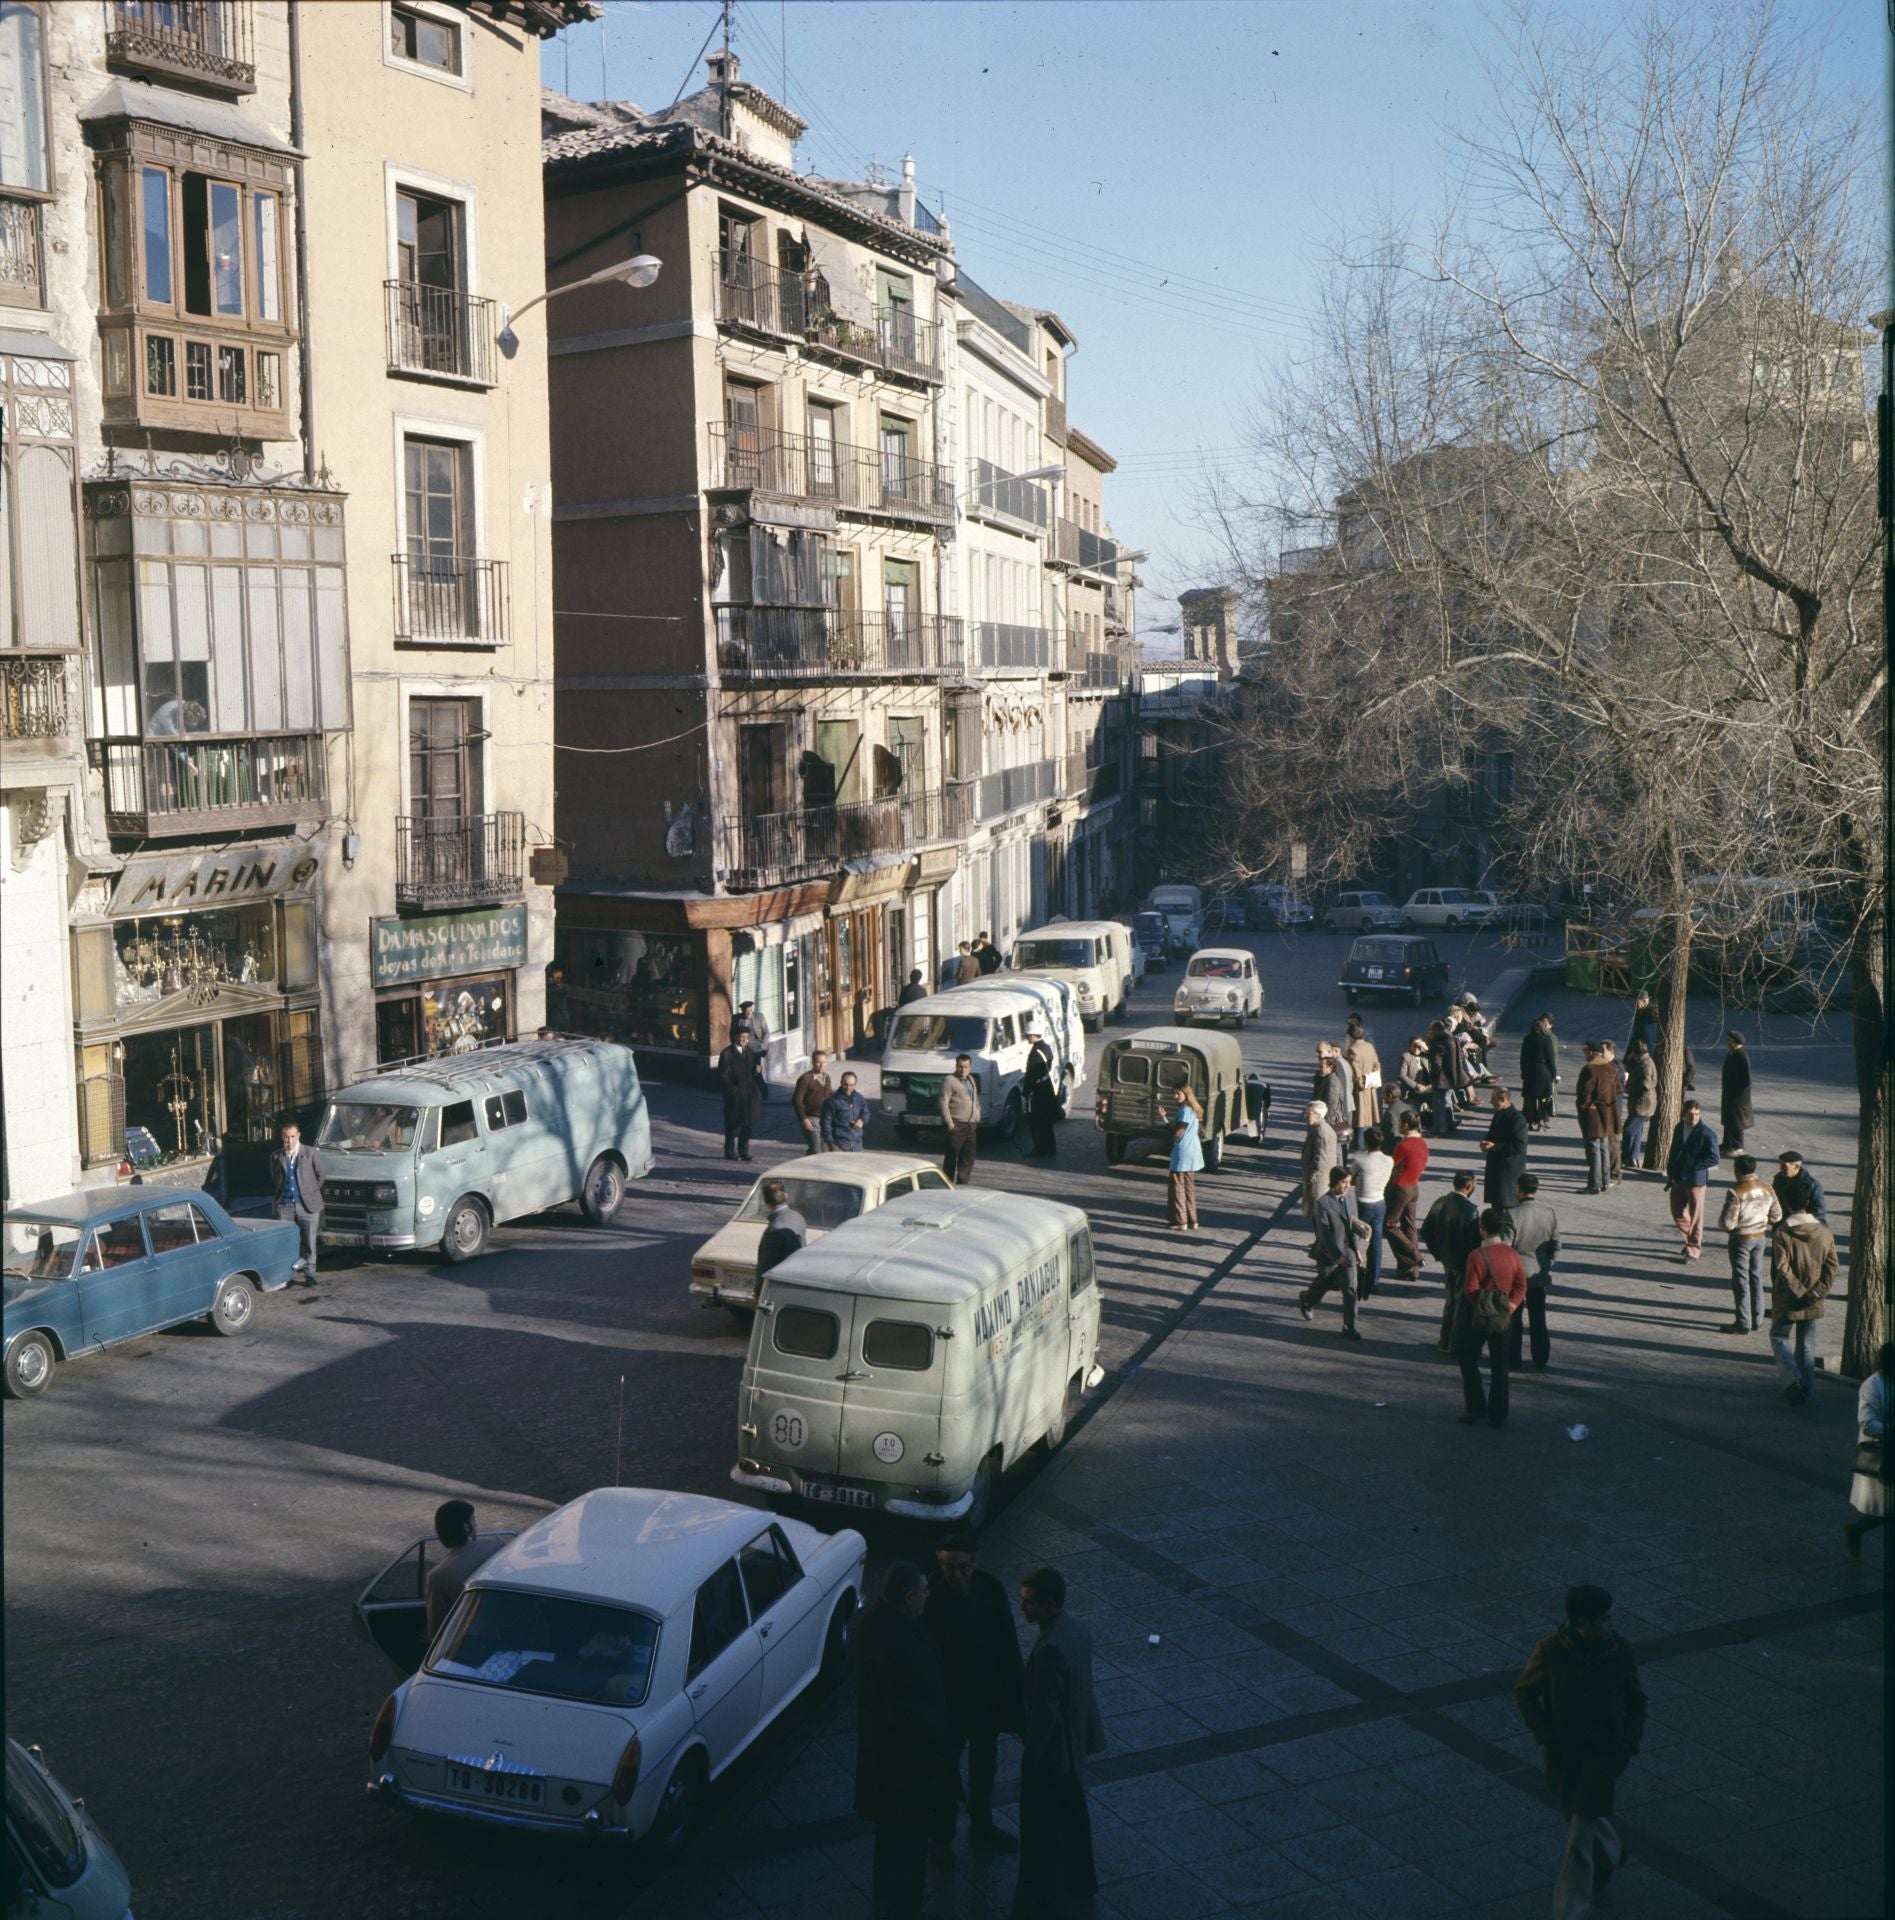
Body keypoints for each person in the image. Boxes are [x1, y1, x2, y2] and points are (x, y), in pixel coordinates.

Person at [1514, 1585, 1647, 1920]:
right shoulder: (1550, 1651)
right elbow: (1525, 1692)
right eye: (1604, 1619)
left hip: (1604, 1754)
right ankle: (1612, 1850)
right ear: (1581, 1623)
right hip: (1566, 1754)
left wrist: (1628, 1743)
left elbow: (1636, 1699)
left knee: (1579, 1833)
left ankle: (1569, 1909)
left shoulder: (1620, 1652)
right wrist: (1545, 1735)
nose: (1611, 1624)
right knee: (1577, 1813)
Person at [856, 1560, 956, 1920]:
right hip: (908, 1770)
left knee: (888, 1844)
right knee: (910, 1849)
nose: (929, 1596)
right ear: (910, 1598)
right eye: (925, 1591)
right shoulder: (906, 1642)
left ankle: (884, 1904)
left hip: (881, 1764)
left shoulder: (871, 1624)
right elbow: (914, 1710)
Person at [1011, 1566, 1104, 1920]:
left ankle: (1036, 1904)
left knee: (1040, 1832)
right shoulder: (1076, 1628)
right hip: (1074, 1745)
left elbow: (1044, 1715)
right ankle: (1081, 1881)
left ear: (1050, 1605)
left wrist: (1032, 1755)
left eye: (1029, 1602)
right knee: (1073, 1817)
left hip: (1052, 1755)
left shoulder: (1049, 1649)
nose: (1023, 1608)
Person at [926, 1533, 1024, 1857]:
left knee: (984, 1765)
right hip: (949, 1704)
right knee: (943, 1772)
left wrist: (1015, 1698)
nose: (954, 1575)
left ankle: (981, 1824)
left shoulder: (990, 1590)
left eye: (960, 1567)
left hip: (984, 1699)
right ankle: (942, 1838)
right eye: (947, 1567)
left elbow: (1008, 1645)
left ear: (973, 1564)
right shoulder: (932, 1595)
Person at [1458, 1207, 1527, 1427]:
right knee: (1500, 1366)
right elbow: (1521, 1285)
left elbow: (1470, 1289)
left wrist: (1482, 1305)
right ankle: (1499, 1413)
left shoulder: (1477, 1256)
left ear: (1483, 1228)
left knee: (1468, 1358)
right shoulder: (1513, 1254)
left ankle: (1476, 1408)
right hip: (1504, 1318)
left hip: (1479, 1316)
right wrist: (1511, 1305)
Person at [1768, 1196, 1836, 1407]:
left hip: (1788, 1297)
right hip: (1813, 1299)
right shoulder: (1825, 1233)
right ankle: (1808, 1389)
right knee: (1807, 1344)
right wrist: (1816, 1293)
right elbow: (1831, 1268)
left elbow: (1782, 1268)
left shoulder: (1782, 1233)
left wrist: (1798, 1290)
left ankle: (1793, 1379)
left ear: (1788, 1205)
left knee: (1779, 1336)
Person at [1715, 1154, 1781, 1336]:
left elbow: (1728, 1223)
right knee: (1757, 1277)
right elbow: (1777, 1216)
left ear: (1737, 1170)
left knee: (1741, 1280)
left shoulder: (1736, 1191)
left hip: (1741, 1239)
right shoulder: (1767, 1188)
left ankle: (1743, 1320)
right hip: (1760, 1237)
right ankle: (1758, 1318)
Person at [1298, 1166, 1366, 1340]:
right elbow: (1324, 1235)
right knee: (1324, 1283)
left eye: (1349, 1183)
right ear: (1334, 1182)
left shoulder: (1351, 1197)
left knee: (1351, 1287)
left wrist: (1356, 1249)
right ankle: (1307, 1299)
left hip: (1348, 1249)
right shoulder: (1323, 1203)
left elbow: (1354, 1224)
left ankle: (1349, 1326)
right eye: (1343, 1182)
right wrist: (1338, 1257)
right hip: (1329, 1253)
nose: (1346, 1186)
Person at [426, 1499, 507, 1638]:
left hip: (476, 1636)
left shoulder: (437, 1576)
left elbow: (437, 1628)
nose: (476, 1525)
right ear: (466, 1527)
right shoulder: (495, 1544)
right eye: (474, 1520)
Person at [1422, 1170, 1482, 1352]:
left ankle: (1445, 1339)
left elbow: (1425, 1230)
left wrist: (1438, 1252)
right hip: (1463, 1263)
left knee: (1450, 1302)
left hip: (1447, 1260)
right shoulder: (1470, 1211)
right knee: (1461, 1305)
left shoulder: (1441, 1202)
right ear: (1469, 1185)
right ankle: (1455, 1342)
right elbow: (1474, 1243)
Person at [1505, 1174, 1561, 1371]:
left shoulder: (1511, 1215)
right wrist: (1546, 1264)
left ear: (1519, 1189)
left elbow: (1505, 1247)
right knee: (1538, 1317)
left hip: (1517, 1274)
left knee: (1514, 1319)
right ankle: (1541, 1356)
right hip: (1538, 1273)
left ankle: (1514, 1358)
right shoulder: (1549, 1213)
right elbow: (1555, 1244)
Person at [1843, 1343, 1892, 1560]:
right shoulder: (1872, 1386)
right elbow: (1868, 1424)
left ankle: (1857, 1530)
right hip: (1884, 1454)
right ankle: (1857, 1530)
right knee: (1886, 1509)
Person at [1663, 1099, 1721, 1261]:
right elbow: (1674, 1150)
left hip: (1696, 1179)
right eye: (1690, 1114)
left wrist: (1694, 1165)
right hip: (1679, 1177)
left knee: (1696, 1215)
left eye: (1696, 1114)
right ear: (1683, 1114)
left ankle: (1693, 1249)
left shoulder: (1706, 1133)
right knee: (1677, 1211)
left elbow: (1714, 1158)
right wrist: (1671, 1170)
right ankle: (1694, 1238)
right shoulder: (1679, 1128)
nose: (1693, 1118)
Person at [270, 1119, 324, 1283]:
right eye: (286, 1137)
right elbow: (275, 1178)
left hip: (307, 1206)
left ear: (298, 1135)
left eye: (292, 1137)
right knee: (287, 1242)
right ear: (282, 1137)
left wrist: (310, 1193)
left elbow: (321, 1175)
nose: (289, 1141)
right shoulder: (275, 1156)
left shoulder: (311, 1153)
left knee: (309, 1241)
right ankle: (289, 1275)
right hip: (285, 1206)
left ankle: (310, 1274)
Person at [1386, 1110, 1430, 1281]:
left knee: (1389, 1225)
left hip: (1400, 1187)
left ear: (1405, 1125)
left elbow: (1392, 1164)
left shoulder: (1403, 1145)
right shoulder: (1423, 1143)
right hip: (1414, 1187)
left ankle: (1414, 1257)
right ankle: (1410, 1270)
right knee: (1409, 1226)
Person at [1351, 1126, 1394, 1299]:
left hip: (1362, 1203)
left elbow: (1351, 1177)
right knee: (1376, 1243)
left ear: (1366, 1142)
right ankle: (1374, 1280)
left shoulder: (1360, 1161)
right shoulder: (1389, 1160)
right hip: (1380, 1201)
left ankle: (1351, 1274)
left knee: (1353, 1240)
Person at [1573, 1042, 1618, 1194]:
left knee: (1593, 1149)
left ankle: (1594, 1184)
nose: (1584, 1054)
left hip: (1593, 1114)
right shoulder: (1612, 1068)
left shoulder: (1589, 1069)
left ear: (1592, 1052)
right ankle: (1605, 1181)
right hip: (1608, 1112)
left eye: (1585, 1051)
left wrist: (1584, 1105)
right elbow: (1618, 1088)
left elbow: (1584, 1092)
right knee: (1604, 1147)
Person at [1479, 1086, 1529, 1221]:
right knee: (1497, 1206)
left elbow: (1519, 1146)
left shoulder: (1517, 1119)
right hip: (1497, 1170)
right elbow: (1492, 1134)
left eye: (1493, 1100)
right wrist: (1485, 1143)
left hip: (1508, 1174)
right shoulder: (1499, 1114)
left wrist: (1495, 1147)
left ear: (1503, 1099)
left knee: (1505, 1209)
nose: (1491, 1103)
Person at [1166, 1085, 1204, 1232]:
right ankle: (1193, 1220)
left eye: (1177, 1094)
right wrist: (1164, 1119)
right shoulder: (1193, 1109)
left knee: (1177, 1189)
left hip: (1182, 1152)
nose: (1175, 1096)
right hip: (1193, 1152)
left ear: (1186, 1094)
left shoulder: (1184, 1111)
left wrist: (1170, 1132)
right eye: (1174, 1094)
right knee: (1189, 1187)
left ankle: (1181, 1221)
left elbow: (1178, 1132)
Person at [1342, 1016, 1382, 1149]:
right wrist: (1372, 1078)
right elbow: (1377, 1064)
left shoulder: (1353, 1050)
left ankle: (1358, 1144)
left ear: (1351, 1036)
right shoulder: (1369, 1046)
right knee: (1368, 1115)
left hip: (1359, 1088)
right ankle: (1367, 1142)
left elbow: (1355, 1069)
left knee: (1359, 1116)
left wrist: (1361, 1082)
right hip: (1370, 1085)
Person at [755, 1178, 806, 1281]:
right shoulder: (798, 1218)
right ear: (786, 1196)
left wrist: (758, 1291)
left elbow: (766, 1265)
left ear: (765, 1202)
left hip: (778, 1283)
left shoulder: (774, 1230)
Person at [718, 1034, 760, 1161]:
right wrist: (733, 1091)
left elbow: (753, 1069)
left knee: (748, 1124)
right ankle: (729, 1151)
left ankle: (744, 1151)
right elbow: (723, 1076)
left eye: (746, 1037)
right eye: (741, 1037)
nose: (744, 1040)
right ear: (735, 1037)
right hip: (735, 1096)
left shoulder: (749, 1051)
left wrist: (757, 1070)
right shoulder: (727, 1053)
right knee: (733, 1125)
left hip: (749, 1095)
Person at [939, 1054, 980, 1185]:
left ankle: (963, 1184)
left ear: (970, 1067)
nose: (963, 1070)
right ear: (956, 1066)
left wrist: (977, 1113)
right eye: (960, 1067)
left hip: (970, 1126)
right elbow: (943, 1103)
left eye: (966, 1067)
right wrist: (950, 1124)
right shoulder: (949, 1080)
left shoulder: (971, 1079)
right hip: (957, 1125)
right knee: (951, 1158)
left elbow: (974, 1099)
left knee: (968, 1158)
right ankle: (947, 1185)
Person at [1299, 1101, 1340, 1230]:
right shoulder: (1317, 1128)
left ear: (1318, 1115)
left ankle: (1322, 1244)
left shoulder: (1321, 1132)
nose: (1305, 1116)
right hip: (1319, 1180)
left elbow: (1320, 1160)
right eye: (1305, 1113)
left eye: (1308, 1113)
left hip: (1319, 1182)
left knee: (1319, 1216)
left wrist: (1311, 1178)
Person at [1021, 1029, 1059, 1159]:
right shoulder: (1045, 1047)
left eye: (1028, 1035)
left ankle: (1039, 1149)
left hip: (1038, 1091)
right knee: (1046, 1121)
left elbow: (1031, 1075)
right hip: (1046, 1087)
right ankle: (1050, 1147)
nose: (1027, 1038)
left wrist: (1025, 1093)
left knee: (1036, 1121)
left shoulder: (1036, 1052)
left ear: (1033, 1034)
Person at [1520, 1012, 1560, 1132]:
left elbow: (1523, 1058)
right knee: (1543, 1098)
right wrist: (1554, 1074)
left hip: (1530, 1071)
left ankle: (1531, 1121)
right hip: (1544, 1071)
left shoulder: (1527, 1039)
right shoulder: (1547, 1040)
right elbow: (1551, 1059)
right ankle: (1541, 1120)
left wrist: (1523, 1072)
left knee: (1530, 1099)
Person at [1622, 1039, 1657, 1172]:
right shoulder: (1644, 1062)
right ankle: (1633, 1157)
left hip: (1642, 1105)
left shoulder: (1645, 1065)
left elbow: (1645, 1085)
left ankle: (1627, 1156)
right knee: (1637, 1131)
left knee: (1629, 1130)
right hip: (1643, 1104)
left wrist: (1629, 1089)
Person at [792, 1050, 833, 1156]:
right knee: (816, 1149)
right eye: (818, 1062)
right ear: (813, 1063)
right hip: (812, 1118)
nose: (821, 1065)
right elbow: (797, 1100)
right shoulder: (806, 1079)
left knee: (825, 1150)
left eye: (824, 1062)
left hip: (825, 1119)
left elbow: (830, 1098)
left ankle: (807, 1166)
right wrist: (804, 1119)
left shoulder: (827, 1078)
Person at [1773, 1150, 1829, 1225]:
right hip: (1782, 1226)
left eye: (1784, 1166)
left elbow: (1819, 1214)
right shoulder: (1779, 1180)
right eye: (1780, 1165)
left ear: (1796, 1166)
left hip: (1803, 1227)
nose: (1780, 1168)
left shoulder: (1812, 1185)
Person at [1426, 1020, 1462, 1136]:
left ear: (1436, 1030)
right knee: (1447, 1102)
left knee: (1439, 1104)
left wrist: (1433, 1076)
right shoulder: (1452, 1039)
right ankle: (1450, 1123)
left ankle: (1440, 1129)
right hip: (1452, 1076)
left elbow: (1437, 1063)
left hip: (1442, 1079)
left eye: (1430, 1030)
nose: (1429, 1033)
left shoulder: (1438, 1043)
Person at [1720, 1032, 1754, 1154]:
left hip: (1737, 1098)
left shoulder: (1741, 1056)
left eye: (1729, 1040)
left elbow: (1747, 1080)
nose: (1727, 1042)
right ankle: (1727, 1143)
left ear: (1734, 1042)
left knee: (1736, 1122)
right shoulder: (1733, 1053)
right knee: (1729, 1121)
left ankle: (1737, 1146)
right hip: (1730, 1095)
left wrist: (1738, 1096)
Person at [1600, 1040, 1628, 1183]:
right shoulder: (1604, 1064)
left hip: (1613, 1110)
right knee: (1606, 1142)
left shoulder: (1617, 1067)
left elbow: (1617, 1089)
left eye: (1603, 1051)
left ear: (1611, 1052)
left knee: (1612, 1143)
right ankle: (1607, 1171)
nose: (1601, 1053)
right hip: (1605, 1109)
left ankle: (1615, 1174)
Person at [822, 1070, 869, 1151]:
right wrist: (830, 1143)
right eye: (845, 1084)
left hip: (857, 1145)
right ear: (841, 1082)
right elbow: (826, 1123)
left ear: (855, 1084)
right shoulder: (832, 1101)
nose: (848, 1088)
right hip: (839, 1145)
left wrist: (862, 1120)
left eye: (851, 1085)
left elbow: (866, 1112)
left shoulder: (859, 1098)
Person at [1397, 1034, 1434, 1131]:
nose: (1417, 1048)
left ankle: (1443, 1124)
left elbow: (1435, 1058)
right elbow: (1402, 1075)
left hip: (1427, 1088)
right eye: (1414, 1045)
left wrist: (1426, 1049)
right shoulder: (1406, 1057)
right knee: (1414, 1107)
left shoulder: (1425, 1056)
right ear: (1410, 1046)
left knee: (1439, 1101)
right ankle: (1418, 1129)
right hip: (1413, 1090)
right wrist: (1416, 1085)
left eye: (1419, 1046)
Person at [1626, 988, 1660, 1058]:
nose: (1634, 1004)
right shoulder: (1639, 1010)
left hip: (1649, 1048)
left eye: (1636, 1001)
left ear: (1644, 1001)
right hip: (1639, 1044)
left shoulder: (1654, 1012)